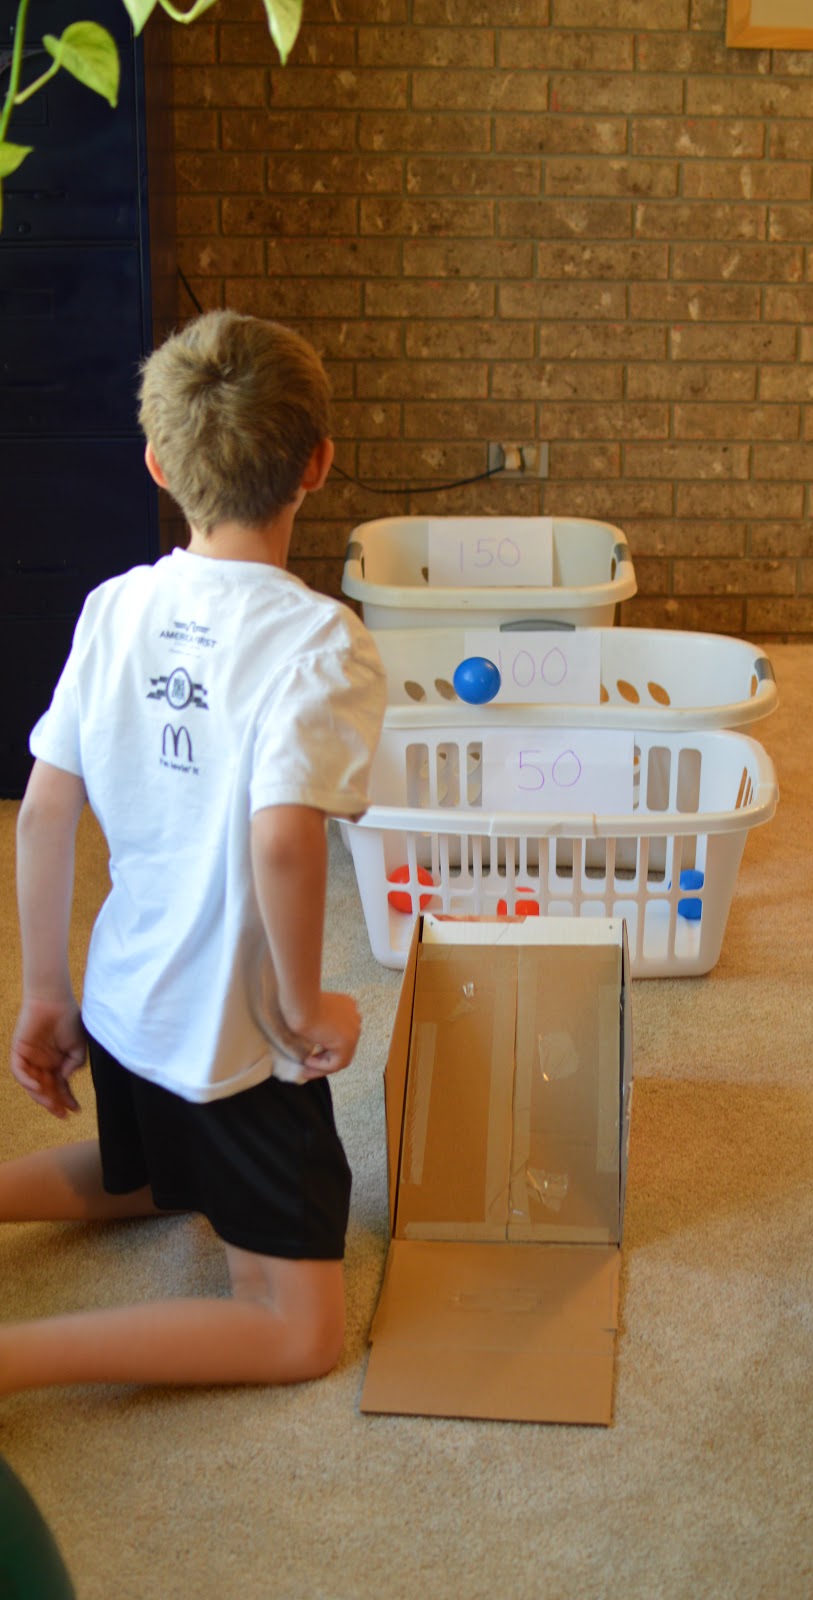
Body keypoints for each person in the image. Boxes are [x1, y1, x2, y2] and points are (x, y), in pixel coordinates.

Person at [2, 308, 386, 1391]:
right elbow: (282, 835)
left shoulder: (115, 604)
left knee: (158, 1178)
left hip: (126, 1014)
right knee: (301, 1332)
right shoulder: (322, 642)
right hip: (231, 1045)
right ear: (317, 461)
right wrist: (306, 1009)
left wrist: (45, 994)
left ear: (159, 463)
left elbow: (41, 813)